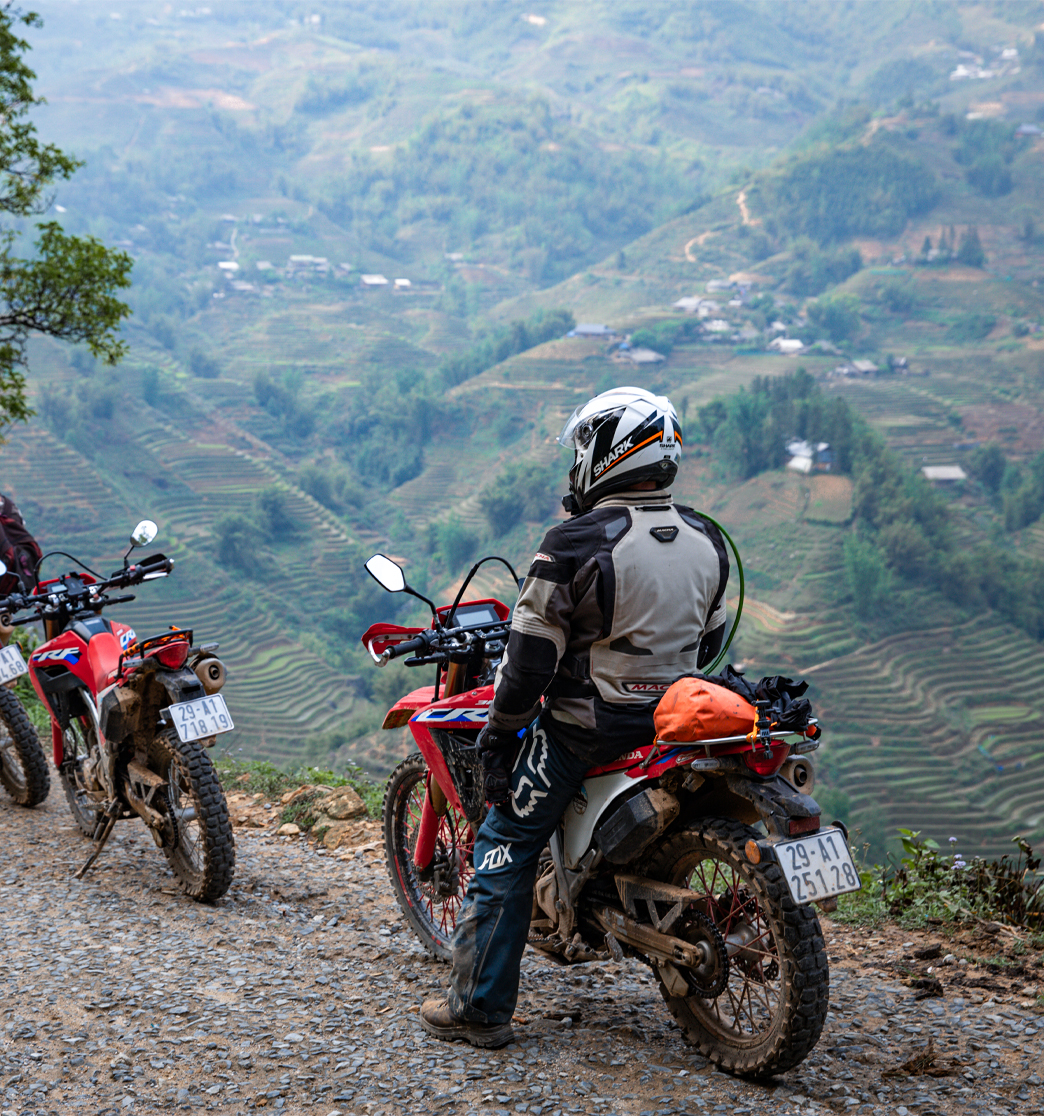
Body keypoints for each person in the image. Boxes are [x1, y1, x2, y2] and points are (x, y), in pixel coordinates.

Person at [420, 386, 730, 1047]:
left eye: (584, 447)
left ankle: (477, 1010)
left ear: (608, 455)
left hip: (585, 731)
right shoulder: (708, 539)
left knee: (502, 843)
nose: (577, 461)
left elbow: (529, 660)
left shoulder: (574, 541)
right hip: (676, 723)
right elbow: (709, 639)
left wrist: (499, 739)